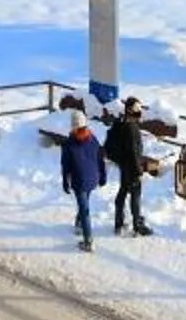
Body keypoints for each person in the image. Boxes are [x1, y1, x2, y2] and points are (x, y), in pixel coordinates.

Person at [105, 97, 152, 237]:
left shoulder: (119, 122)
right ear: (133, 111)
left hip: (122, 164)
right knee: (135, 196)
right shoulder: (131, 127)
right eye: (138, 110)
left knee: (123, 191)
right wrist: (138, 170)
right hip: (131, 167)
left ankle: (118, 223)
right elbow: (133, 151)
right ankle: (137, 225)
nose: (140, 113)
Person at [60, 114, 107, 251]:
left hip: (79, 180)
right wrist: (103, 176)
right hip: (93, 178)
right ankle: (79, 223)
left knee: (84, 209)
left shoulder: (69, 144)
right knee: (85, 202)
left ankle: (88, 241)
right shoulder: (93, 139)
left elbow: (65, 166)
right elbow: (100, 160)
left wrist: (65, 182)